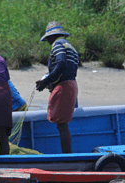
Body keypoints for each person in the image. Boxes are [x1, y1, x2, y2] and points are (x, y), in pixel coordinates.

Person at [35, 21, 79, 153]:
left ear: (52, 36)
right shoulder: (69, 46)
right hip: (71, 85)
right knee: (63, 123)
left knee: (61, 125)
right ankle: (67, 155)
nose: (47, 41)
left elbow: (60, 65)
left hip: (64, 87)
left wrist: (45, 81)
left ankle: (67, 156)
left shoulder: (57, 45)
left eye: (48, 38)